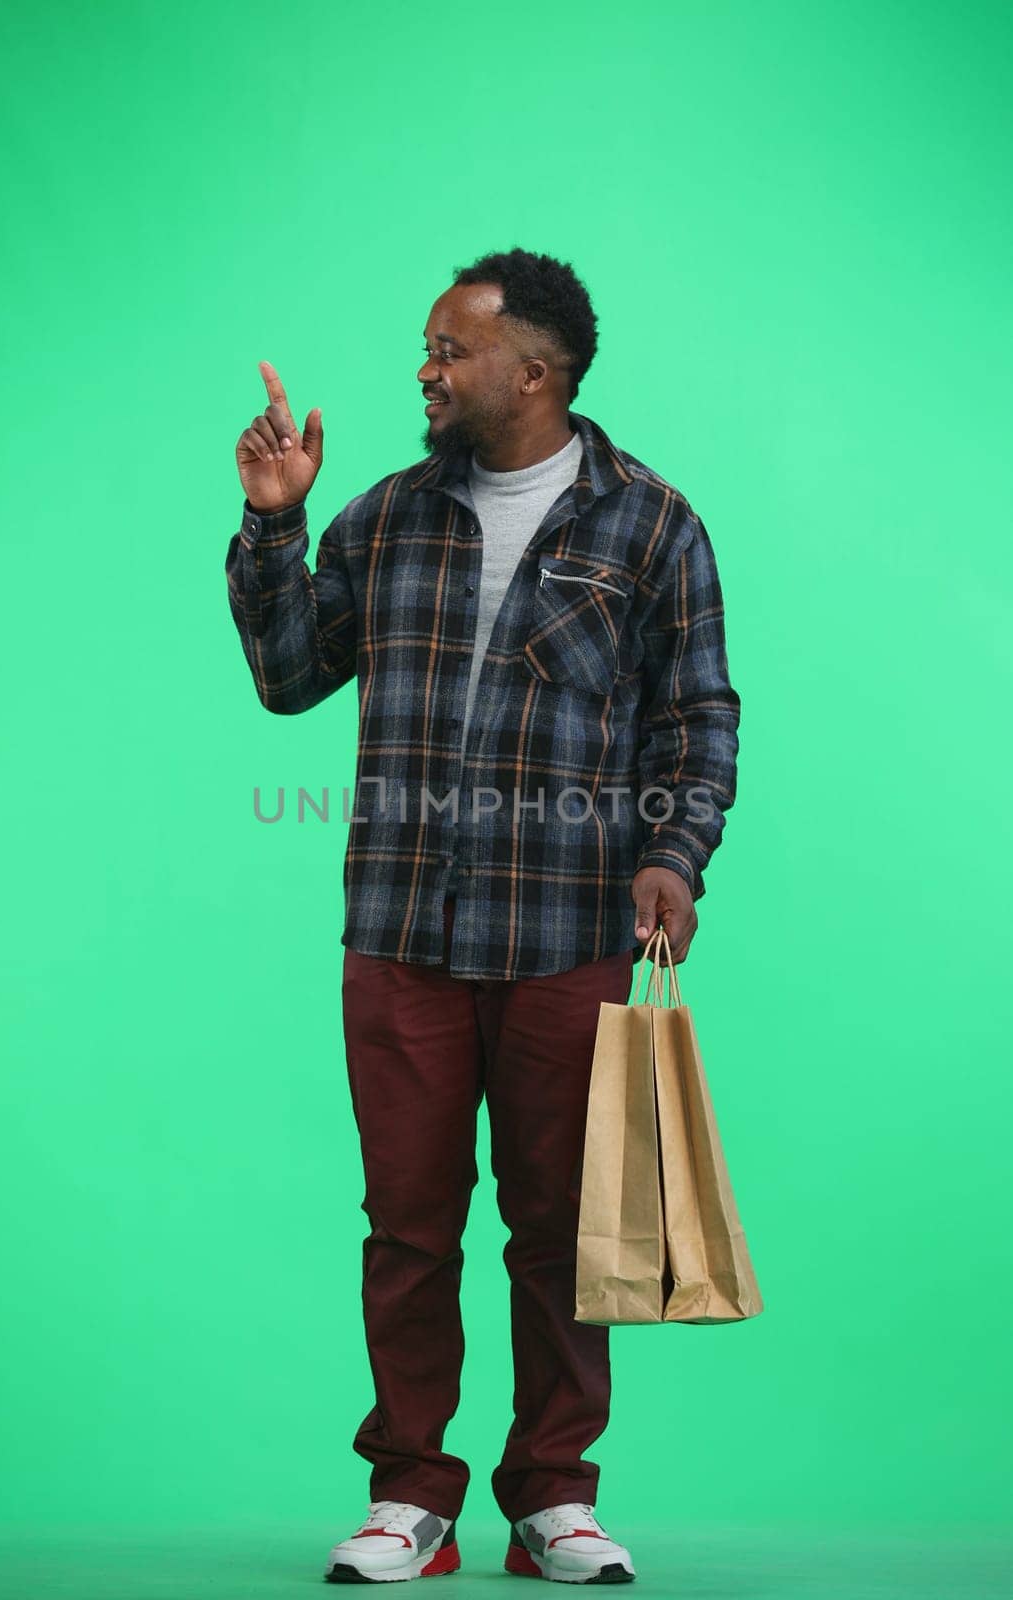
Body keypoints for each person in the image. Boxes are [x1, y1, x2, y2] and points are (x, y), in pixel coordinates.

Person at [224, 248, 741, 1585]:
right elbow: (291, 677)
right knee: (407, 1224)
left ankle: (553, 1498)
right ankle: (411, 1498)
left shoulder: (653, 526)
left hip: (569, 937)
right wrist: (279, 521)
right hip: (400, 931)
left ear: (540, 367)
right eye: (428, 349)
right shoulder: (386, 515)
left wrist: (674, 856)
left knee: (567, 1228)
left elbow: (697, 716)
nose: (427, 371)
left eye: (450, 350)